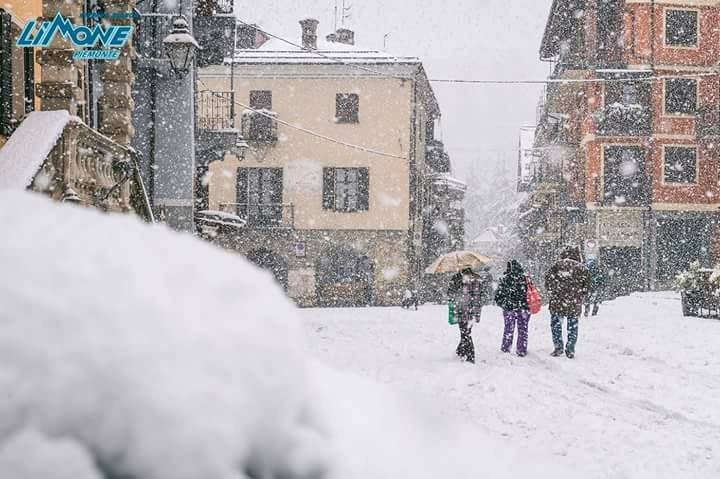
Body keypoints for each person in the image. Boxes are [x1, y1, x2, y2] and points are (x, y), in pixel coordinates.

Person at [544, 246, 591, 359]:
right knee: (572, 326)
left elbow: (548, 283)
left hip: (557, 302)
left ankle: (558, 347)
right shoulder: (582, 269)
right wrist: (579, 294)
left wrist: (555, 292)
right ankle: (570, 349)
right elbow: (587, 287)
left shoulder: (556, 266)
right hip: (574, 303)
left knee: (556, 325)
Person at [447, 266, 493, 363]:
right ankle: (461, 350)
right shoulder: (477, 278)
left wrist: (456, 285)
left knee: (465, 333)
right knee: (466, 332)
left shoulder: (457, 278)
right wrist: (477, 305)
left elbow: (450, 293)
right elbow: (483, 295)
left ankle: (470, 356)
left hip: (461, 310)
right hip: (474, 311)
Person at [494, 260, 531, 357]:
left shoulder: (506, 278)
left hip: (509, 308)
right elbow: (531, 292)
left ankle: (506, 348)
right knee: (523, 329)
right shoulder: (525, 278)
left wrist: (504, 304)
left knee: (508, 329)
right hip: (524, 308)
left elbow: (498, 296)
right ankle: (521, 349)